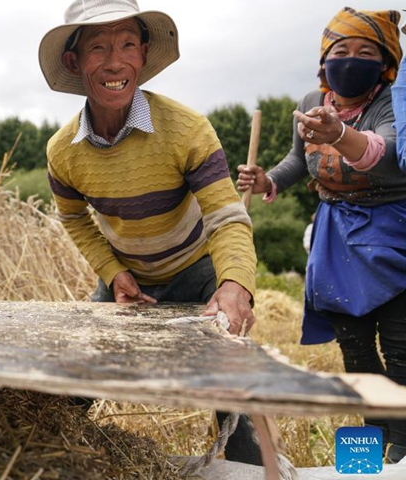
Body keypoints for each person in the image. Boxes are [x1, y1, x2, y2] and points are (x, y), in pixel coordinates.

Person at [39, 0, 260, 465]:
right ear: (73, 62)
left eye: (126, 45)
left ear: (143, 54)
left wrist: (235, 285)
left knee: (233, 380)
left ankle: (247, 467)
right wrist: (113, 272)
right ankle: (55, 458)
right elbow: (75, 219)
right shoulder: (63, 151)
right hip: (127, 277)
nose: (114, 62)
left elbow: (225, 216)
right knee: (75, 378)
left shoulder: (187, 130)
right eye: (97, 47)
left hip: (196, 268)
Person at [237, 8, 406, 464]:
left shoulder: (394, 101)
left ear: (387, 61)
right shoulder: (315, 98)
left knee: (400, 349)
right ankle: (370, 452)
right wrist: (266, 181)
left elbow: (387, 152)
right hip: (337, 241)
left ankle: (403, 451)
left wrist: (341, 134)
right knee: (354, 350)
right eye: (340, 51)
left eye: (366, 51)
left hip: (392, 234)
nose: (351, 60)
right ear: (323, 60)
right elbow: (299, 161)